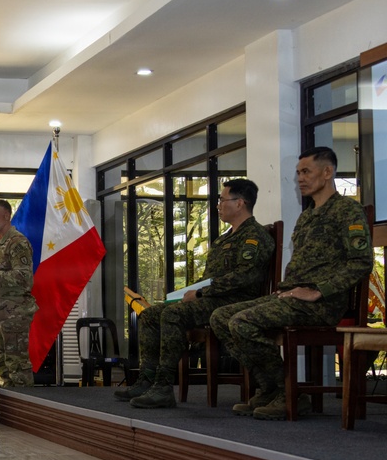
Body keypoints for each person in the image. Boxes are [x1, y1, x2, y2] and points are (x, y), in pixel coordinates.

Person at [210, 147, 374, 420]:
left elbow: (360, 262)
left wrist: (318, 291)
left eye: (306, 172)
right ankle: (272, 389)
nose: (300, 178)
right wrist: (288, 291)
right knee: (220, 317)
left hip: (321, 304)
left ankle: (289, 394)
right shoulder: (307, 216)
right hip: (292, 297)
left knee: (241, 322)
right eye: (298, 172)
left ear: (327, 172)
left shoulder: (347, 211)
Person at [118, 178, 275, 409]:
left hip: (234, 301)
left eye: (222, 200)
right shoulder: (225, 239)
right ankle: (147, 379)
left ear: (240, 203)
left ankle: (163, 387)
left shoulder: (255, 236)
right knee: (151, 315)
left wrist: (201, 293)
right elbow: (209, 277)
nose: (219, 205)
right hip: (211, 299)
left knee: (173, 315)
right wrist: (188, 292)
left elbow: (245, 277)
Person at [0, 199, 37, 387]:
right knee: (1, 361)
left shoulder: (17, 242)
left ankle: (26, 409)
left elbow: (24, 277)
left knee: (17, 363)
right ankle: (10, 409)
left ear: (7, 215)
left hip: (15, 311)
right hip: (0, 311)